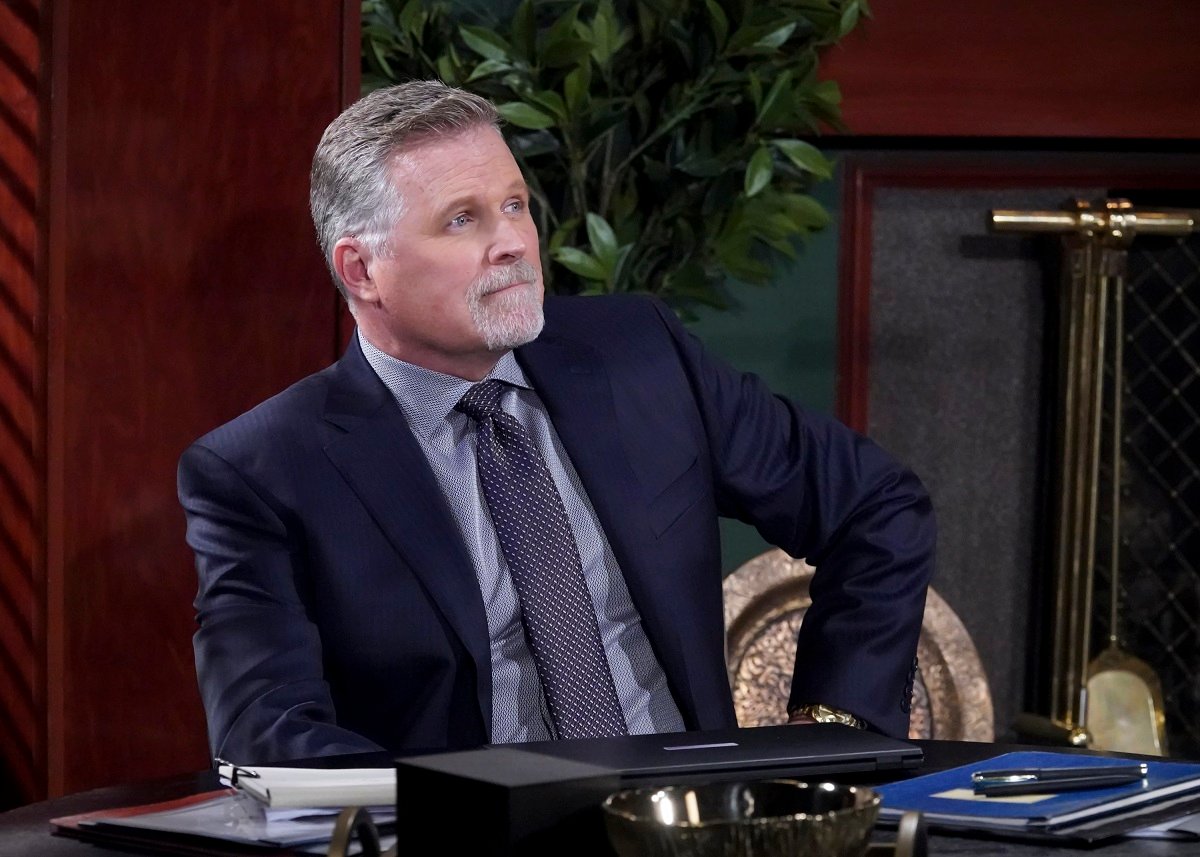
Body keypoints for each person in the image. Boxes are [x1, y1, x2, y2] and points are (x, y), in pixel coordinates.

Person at [177, 79, 935, 765]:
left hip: (689, 827)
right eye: (462, 219)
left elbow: (875, 505)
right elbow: (268, 734)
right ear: (360, 270)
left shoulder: (640, 355)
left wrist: (833, 721)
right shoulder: (262, 472)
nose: (512, 241)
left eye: (514, 204)